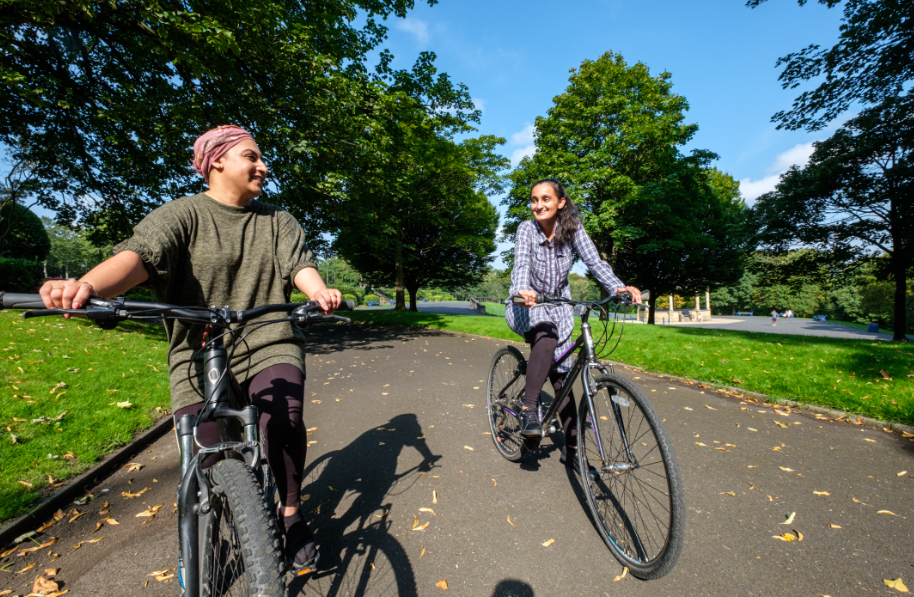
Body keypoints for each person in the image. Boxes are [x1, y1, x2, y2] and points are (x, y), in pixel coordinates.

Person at [38, 125, 340, 570]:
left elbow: (300, 266)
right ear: (216, 160)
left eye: (262, 158)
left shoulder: (278, 220)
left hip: (267, 335)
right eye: (251, 157)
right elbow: (140, 256)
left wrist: (318, 292)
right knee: (207, 451)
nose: (263, 165)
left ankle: (290, 514)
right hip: (195, 349)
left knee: (284, 419)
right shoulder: (181, 215)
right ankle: (219, 523)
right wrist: (85, 285)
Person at [505, 179, 641, 474]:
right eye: (533, 200)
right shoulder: (526, 230)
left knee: (563, 377)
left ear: (561, 202)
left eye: (545, 199)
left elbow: (595, 261)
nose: (538, 205)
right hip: (526, 304)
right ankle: (530, 410)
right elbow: (520, 266)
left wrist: (618, 288)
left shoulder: (573, 228)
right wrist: (522, 290)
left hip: (561, 308)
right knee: (547, 334)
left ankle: (574, 452)